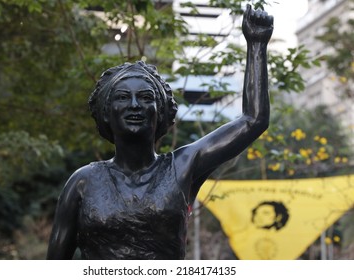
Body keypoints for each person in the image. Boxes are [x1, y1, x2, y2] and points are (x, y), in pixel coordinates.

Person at [47, 5, 273, 260]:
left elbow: (253, 120)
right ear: (107, 113)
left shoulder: (183, 167)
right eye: (123, 97)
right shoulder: (83, 182)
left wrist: (256, 44)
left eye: (145, 97)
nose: (135, 105)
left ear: (160, 111)